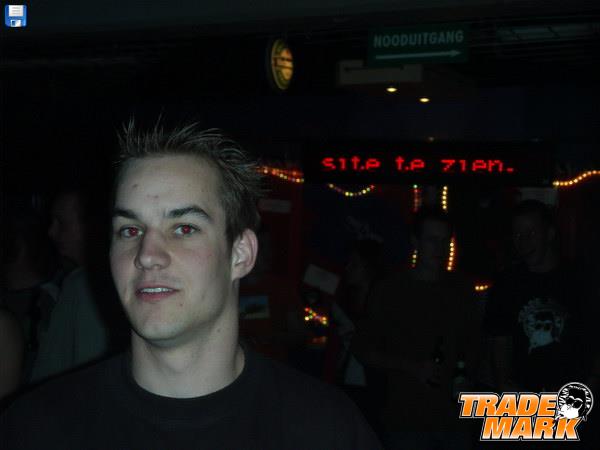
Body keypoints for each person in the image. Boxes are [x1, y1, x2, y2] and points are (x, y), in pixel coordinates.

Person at [1, 122, 381, 449]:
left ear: (241, 254)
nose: (147, 254)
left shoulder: (325, 431)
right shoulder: (37, 429)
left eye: (184, 228)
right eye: (130, 230)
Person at [352, 208, 480, 450]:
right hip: (406, 419)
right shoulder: (390, 290)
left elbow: (475, 345)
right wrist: (410, 367)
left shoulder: (463, 289)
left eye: (444, 241)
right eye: (432, 240)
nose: (439, 248)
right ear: (415, 242)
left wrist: (469, 377)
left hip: (454, 419)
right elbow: (363, 349)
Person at [484, 200, 589, 393]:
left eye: (531, 233)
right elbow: (499, 341)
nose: (523, 241)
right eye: (518, 234)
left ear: (549, 234)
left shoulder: (578, 279)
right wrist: (505, 385)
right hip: (522, 396)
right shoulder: (507, 283)